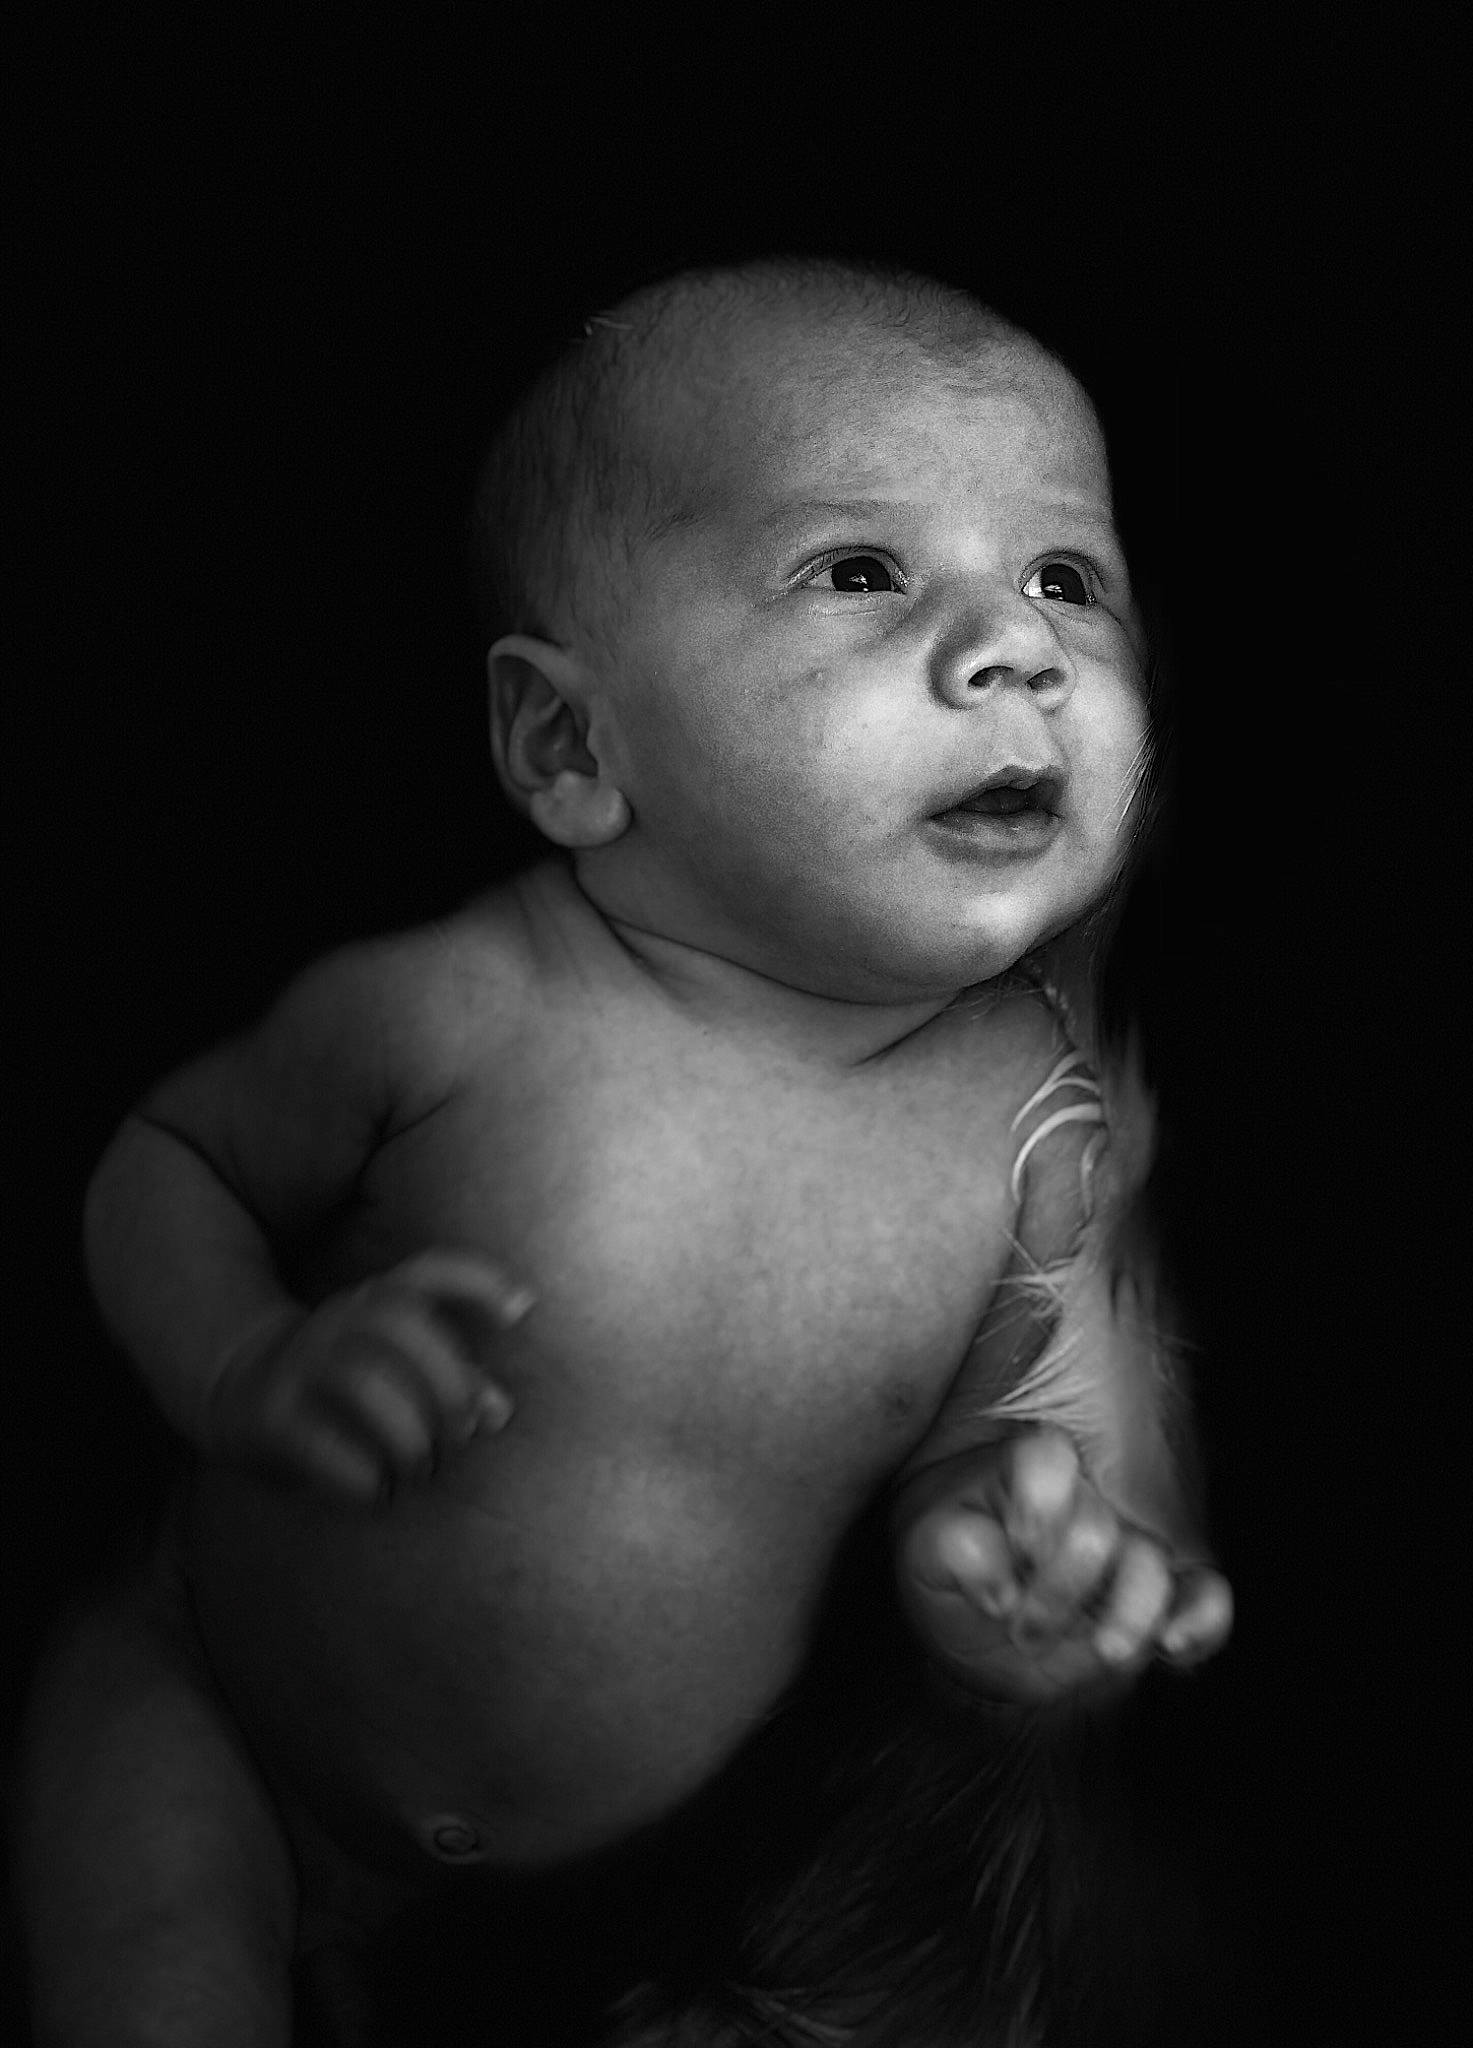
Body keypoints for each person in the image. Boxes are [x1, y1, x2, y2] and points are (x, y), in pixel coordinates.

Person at [13, 256, 1231, 2046]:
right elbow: (164, 1168)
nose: (1016, 646)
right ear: (572, 743)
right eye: (861, 572)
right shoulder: (463, 1012)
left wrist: (1011, 1562)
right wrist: (245, 1364)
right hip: (218, 1735)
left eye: (1066, 575)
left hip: (595, 1871)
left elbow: (995, 1431)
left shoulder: (1028, 1115)